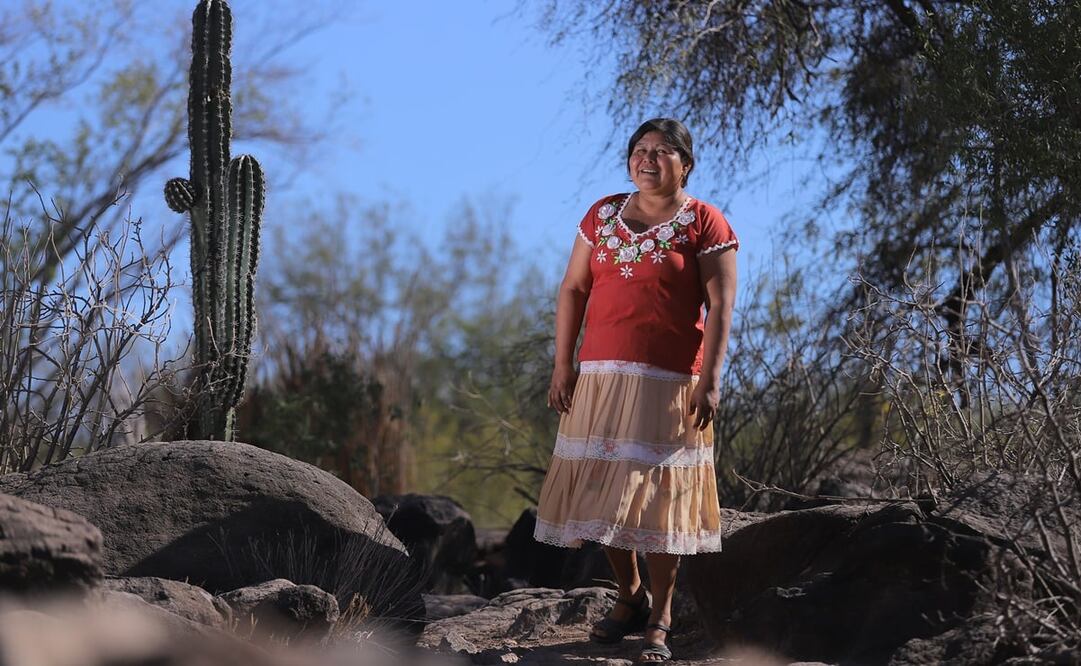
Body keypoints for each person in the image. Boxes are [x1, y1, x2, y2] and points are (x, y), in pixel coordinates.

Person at [533, 118, 738, 663]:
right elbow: (574, 288)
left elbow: (720, 305)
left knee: (657, 503)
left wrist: (711, 380)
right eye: (639, 151)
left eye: (662, 151)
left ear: (685, 164)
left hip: (670, 384)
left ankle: (662, 615)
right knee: (603, 495)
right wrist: (563, 366)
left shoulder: (705, 221)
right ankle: (629, 595)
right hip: (599, 378)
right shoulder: (601, 215)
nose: (648, 159)